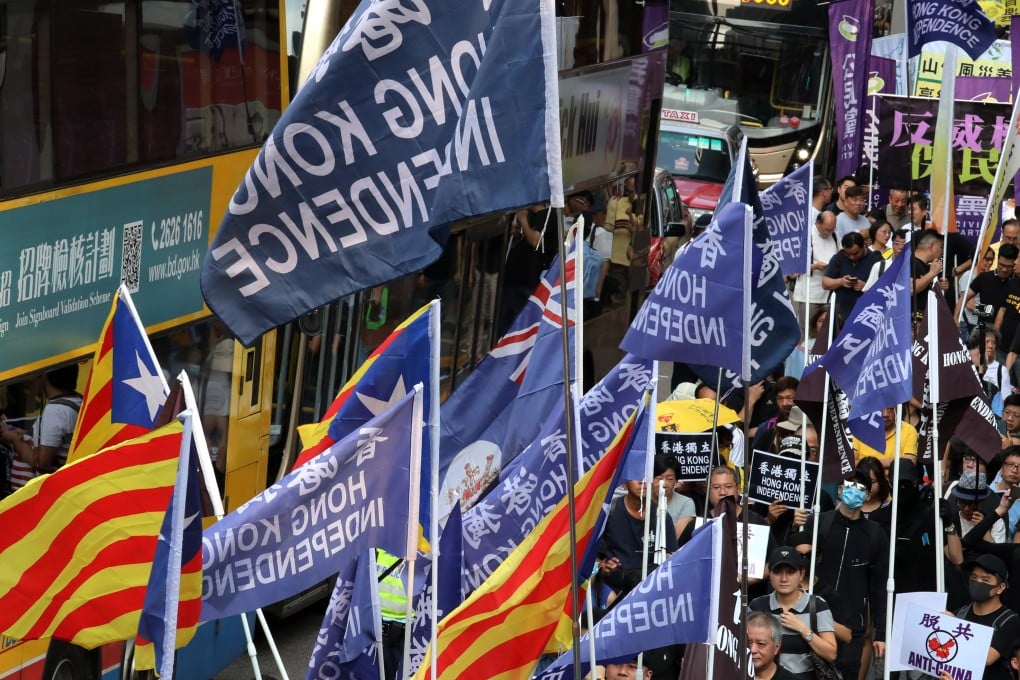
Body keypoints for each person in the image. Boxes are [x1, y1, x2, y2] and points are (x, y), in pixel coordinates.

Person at [794, 470, 888, 680]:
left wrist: (880, 634)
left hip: (851, 624)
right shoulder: (818, 522)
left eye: (860, 488)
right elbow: (796, 560)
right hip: (813, 615)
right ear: (840, 489)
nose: (853, 491)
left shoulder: (875, 534)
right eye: (849, 485)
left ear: (868, 496)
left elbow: (880, 587)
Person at [748, 547, 838, 680]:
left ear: (801, 574)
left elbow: (831, 653)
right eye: (777, 572)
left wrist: (803, 629)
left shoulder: (817, 605)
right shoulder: (757, 605)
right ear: (770, 575)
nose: (784, 578)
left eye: (790, 572)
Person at [0, 365, 82, 485]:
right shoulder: (78, 400)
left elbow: (42, 463)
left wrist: (14, 439)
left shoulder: (55, 410)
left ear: (45, 376)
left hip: (48, 487)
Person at [599, 478, 679, 596]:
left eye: (646, 477)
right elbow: (596, 559)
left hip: (651, 590)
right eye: (636, 477)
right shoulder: (610, 513)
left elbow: (672, 555)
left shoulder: (661, 516)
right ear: (625, 485)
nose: (642, 481)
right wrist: (604, 567)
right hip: (616, 592)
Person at [955, 554, 1020, 680]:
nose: (978, 582)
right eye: (974, 577)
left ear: (1000, 588)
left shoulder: (1010, 621)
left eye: (985, 580)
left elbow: (987, 658)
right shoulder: (960, 613)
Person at [791, 211, 838, 338]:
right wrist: (815, 266)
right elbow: (793, 266)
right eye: (827, 229)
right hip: (809, 291)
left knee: (826, 332)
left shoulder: (834, 236)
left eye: (832, 229)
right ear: (818, 223)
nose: (829, 233)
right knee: (808, 330)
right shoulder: (806, 235)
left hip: (827, 292)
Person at [822, 232, 882, 320]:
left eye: (855, 253)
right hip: (840, 313)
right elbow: (825, 283)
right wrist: (841, 282)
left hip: (867, 313)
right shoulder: (839, 258)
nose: (851, 257)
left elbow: (884, 287)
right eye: (848, 254)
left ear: (864, 246)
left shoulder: (876, 260)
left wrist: (866, 286)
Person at [852, 404, 918, 472]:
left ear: (897, 409)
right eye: (880, 409)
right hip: (865, 481)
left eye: (890, 409)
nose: (885, 414)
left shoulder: (908, 430)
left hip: (895, 481)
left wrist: (869, 465)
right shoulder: (858, 430)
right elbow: (851, 464)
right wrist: (892, 462)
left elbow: (909, 463)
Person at [746, 611, 799, 680]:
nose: (753, 650)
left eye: (761, 644)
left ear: (777, 647)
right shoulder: (729, 674)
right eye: (747, 643)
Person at [911, 229, 945, 312]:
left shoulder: (927, 267)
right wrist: (932, 273)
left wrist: (940, 286)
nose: (943, 251)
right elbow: (911, 288)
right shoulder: (911, 262)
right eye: (941, 247)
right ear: (931, 246)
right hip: (912, 319)